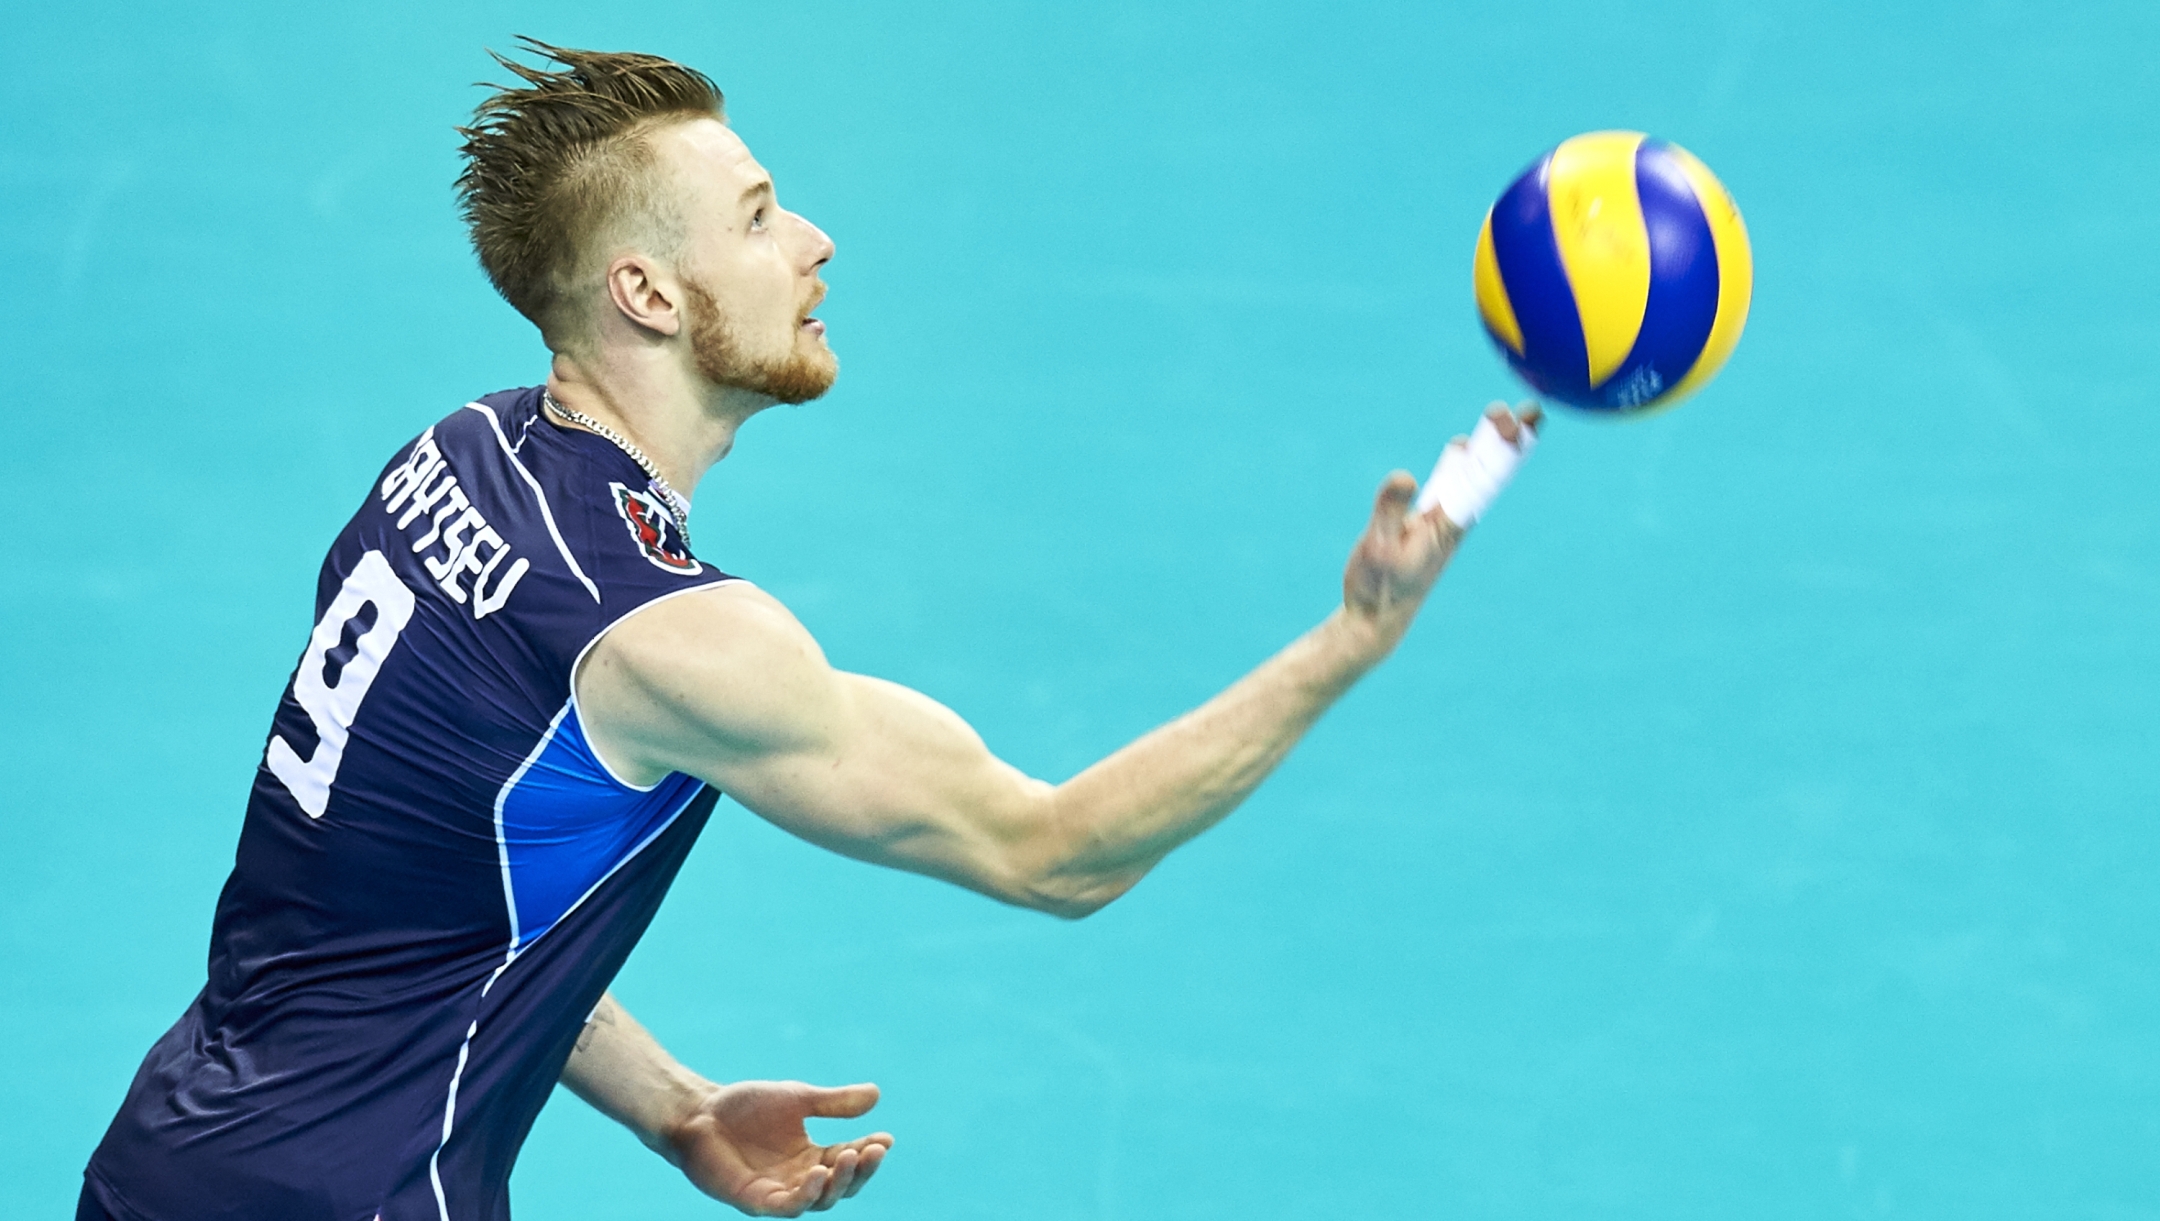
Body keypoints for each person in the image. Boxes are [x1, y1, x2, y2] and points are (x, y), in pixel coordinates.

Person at [80, 39, 1539, 1221]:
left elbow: (427, 912)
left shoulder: (451, 460)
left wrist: (681, 1107)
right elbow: (1052, 852)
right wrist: (1350, 641)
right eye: (764, 217)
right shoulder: (661, 643)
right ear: (646, 292)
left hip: (165, 1159)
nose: (818, 241)